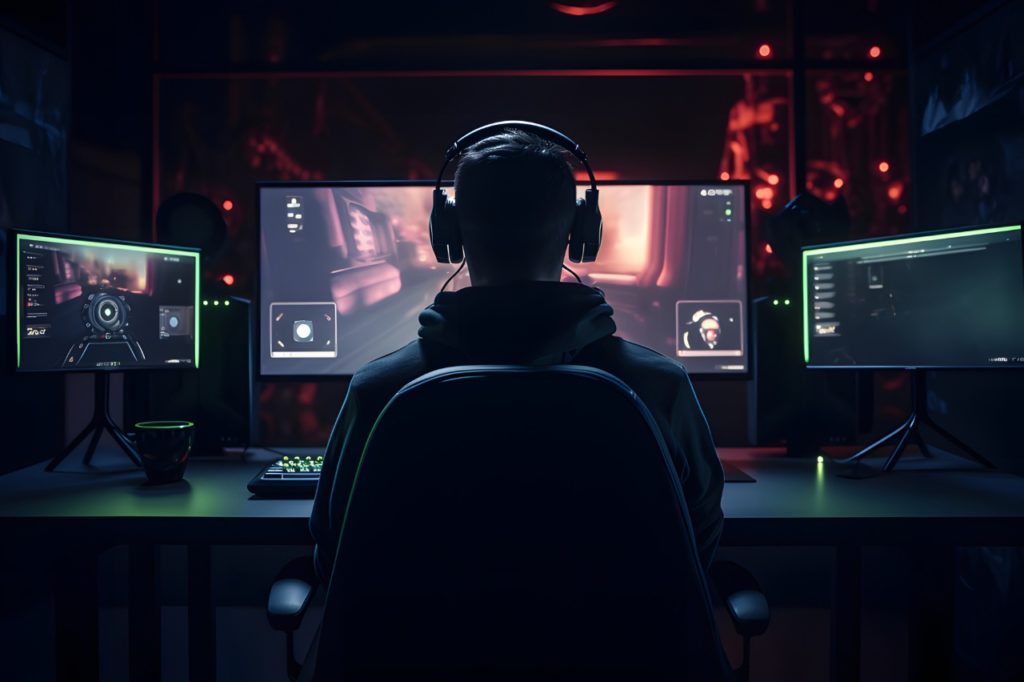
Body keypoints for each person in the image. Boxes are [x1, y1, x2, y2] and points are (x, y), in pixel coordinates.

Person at [310, 127, 725, 584]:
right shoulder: (658, 388)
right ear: (582, 231)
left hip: (424, 654)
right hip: (617, 653)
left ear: (446, 233)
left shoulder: (381, 392)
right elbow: (695, 546)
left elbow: (336, 555)